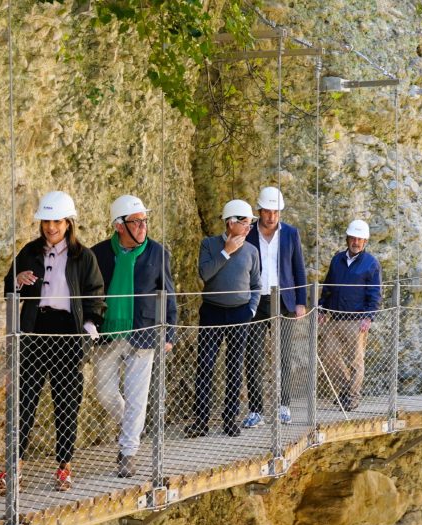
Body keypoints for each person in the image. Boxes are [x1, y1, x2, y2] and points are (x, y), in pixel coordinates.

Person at [0, 191, 105, 492]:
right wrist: (17, 281)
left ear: (69, 223)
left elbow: (96, 293)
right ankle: (14, 467)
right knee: (24, 399)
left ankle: (64, 467)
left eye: (57, 221)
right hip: (35, 328)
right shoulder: (30, 251)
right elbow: (8, 286)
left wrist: (90, 326)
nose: (51, 227)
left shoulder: (84, 256)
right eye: (46, 221)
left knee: (67, 401)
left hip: (69, 332)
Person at [91, 195, 176, 478]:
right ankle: (131, 427)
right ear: (119, 225)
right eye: (136, 222)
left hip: (144, 332)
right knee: (104, 392)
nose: (142, 226)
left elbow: (169, 294)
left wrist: (170, 332)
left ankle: (128, 452)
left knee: (138, 397)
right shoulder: (99, 253)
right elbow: (89, 292)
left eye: (144, 221)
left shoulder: (157, 253)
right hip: (108, 333)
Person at [187, 199, 261, 438]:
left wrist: (251, 310)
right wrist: (226, 252)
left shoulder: (252, 251)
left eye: (250, 223)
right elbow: (205, 274)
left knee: (234, 367)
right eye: (245, 223)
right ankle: (201, 421)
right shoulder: (209, 244)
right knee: (205, 365)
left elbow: (256, 285)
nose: (249, 228)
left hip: (240, 313)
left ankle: (230, 419)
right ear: (231, 223)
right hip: (212, 311)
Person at [243, 186, 307, 428]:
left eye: (276, 212)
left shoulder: (290, 233)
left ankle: (284, 407)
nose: (271, 217)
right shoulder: (248, 233)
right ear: (259, 210)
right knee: (253, 356)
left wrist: (301, 301)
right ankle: (256, 411)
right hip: (255, 301)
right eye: (267, 211)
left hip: (284, 301)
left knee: (284, 356)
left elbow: (298, 267)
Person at [317, 220, 381, 411]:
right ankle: (346, 391)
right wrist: (322, 308)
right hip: (335, 317)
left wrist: (369, 317)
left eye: (360, 239)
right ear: (347, 239)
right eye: (353, 238)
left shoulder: (371, 263)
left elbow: (375, 292)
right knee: (328, 355)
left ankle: (352, 397)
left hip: (357, 320)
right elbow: (328, 286)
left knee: (355, 361)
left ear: (365, 241)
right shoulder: (337, 259)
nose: (356, 242)